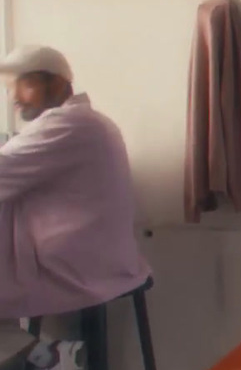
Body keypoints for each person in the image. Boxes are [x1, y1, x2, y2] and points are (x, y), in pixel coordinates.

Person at [0, 45, 149, 321]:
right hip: (104, 260)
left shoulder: (66, 123)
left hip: (79, 268)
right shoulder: (89, 121)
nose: (15, 99)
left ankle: (16, 360)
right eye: (10, 89)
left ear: (57, 83)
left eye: (26, 85)